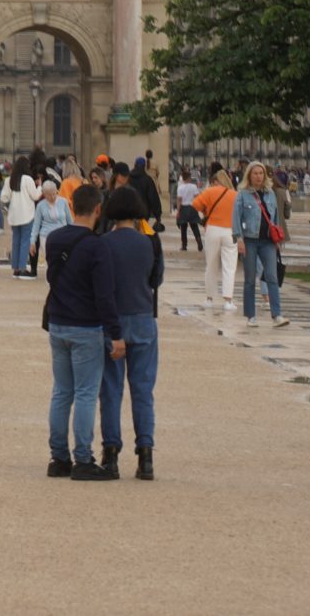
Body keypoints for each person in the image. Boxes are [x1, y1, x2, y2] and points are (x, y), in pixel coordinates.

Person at [42, 184, 118, 480]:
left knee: (62, 392)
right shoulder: (97, 245)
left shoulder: (55, 238)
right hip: (86, 325)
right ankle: (83, 458)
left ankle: (58, 457)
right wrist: (115, 332)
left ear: (71, 207)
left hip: (58, 322)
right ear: (98, 209)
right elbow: (104, 295)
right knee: (86, 393)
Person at [97, 187, 163, 481]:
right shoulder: (149, 241)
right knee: (142, 390)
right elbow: (156, 278)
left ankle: (111, 454)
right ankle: (145, 455)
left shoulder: (103, 243)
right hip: (142, 316)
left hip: (113, 320)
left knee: (111, 390)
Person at [234, 163, 289, 328]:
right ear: (249, 176)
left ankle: (276, 314)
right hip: (250, 239)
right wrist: (239, 239)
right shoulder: (243, 195)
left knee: (272, 277)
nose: (258, 176)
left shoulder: (270, 193)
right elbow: (236, 217)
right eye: (255, 173)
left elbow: (275, 218)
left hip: (268, 241)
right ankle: (251, 315)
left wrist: (277, 239)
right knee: (250, 279)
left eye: (261, 173)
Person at [192, 167, 237, 311]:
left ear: (216, 181)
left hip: (213, 229)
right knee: (229, 267)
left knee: (211, 265)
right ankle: (228, 301)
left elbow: (195, 205)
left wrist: (206, 212)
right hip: (230, 231)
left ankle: (209, 298)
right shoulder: (235, 195)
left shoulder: (210, 191)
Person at [2, 160, 43, 278]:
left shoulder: (9, 179)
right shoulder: (27, 179)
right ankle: (22, 267)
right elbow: (35, 196)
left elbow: (4, 198)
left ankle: (15, 268)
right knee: (25, 241)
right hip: (26, 214)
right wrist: (39, 186)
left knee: (16, 241)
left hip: (14, 215)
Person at [31, 167, 72, 277]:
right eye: (49, 194)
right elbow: (36, 225)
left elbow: (70, 221)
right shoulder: (40, 206)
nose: (53, 196)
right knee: (50, 260)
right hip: (46, 236)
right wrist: (32, 241)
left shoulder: (63, 202)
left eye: (54, 193)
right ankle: (51, 279)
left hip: (63, 235)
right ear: (44, 194)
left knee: (63, 259)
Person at [174, 171, 203, 252]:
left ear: (183, 178)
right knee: (194, 226)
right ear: (189, 178)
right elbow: (197, 197)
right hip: (192, 207)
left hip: (183, 208)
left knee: (183, 228)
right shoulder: (193, 187)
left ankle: (184, 245)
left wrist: (178, 211)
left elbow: (179, 200)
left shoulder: (180, 188)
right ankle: (199, 242)